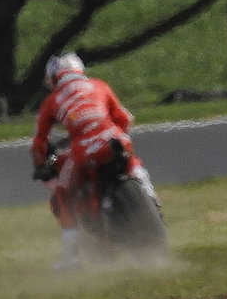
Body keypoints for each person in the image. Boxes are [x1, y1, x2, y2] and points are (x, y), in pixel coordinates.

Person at [30, 53, 155, 269]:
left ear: (53, 77)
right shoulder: (100, 85)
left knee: (61, 192)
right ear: (80, 70)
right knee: (135, 167)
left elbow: (39, 142)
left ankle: (72, 258)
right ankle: (152, 201)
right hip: (116, 140)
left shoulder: (52, 100)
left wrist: (40, 165)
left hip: (82, 150)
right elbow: (125, 119)